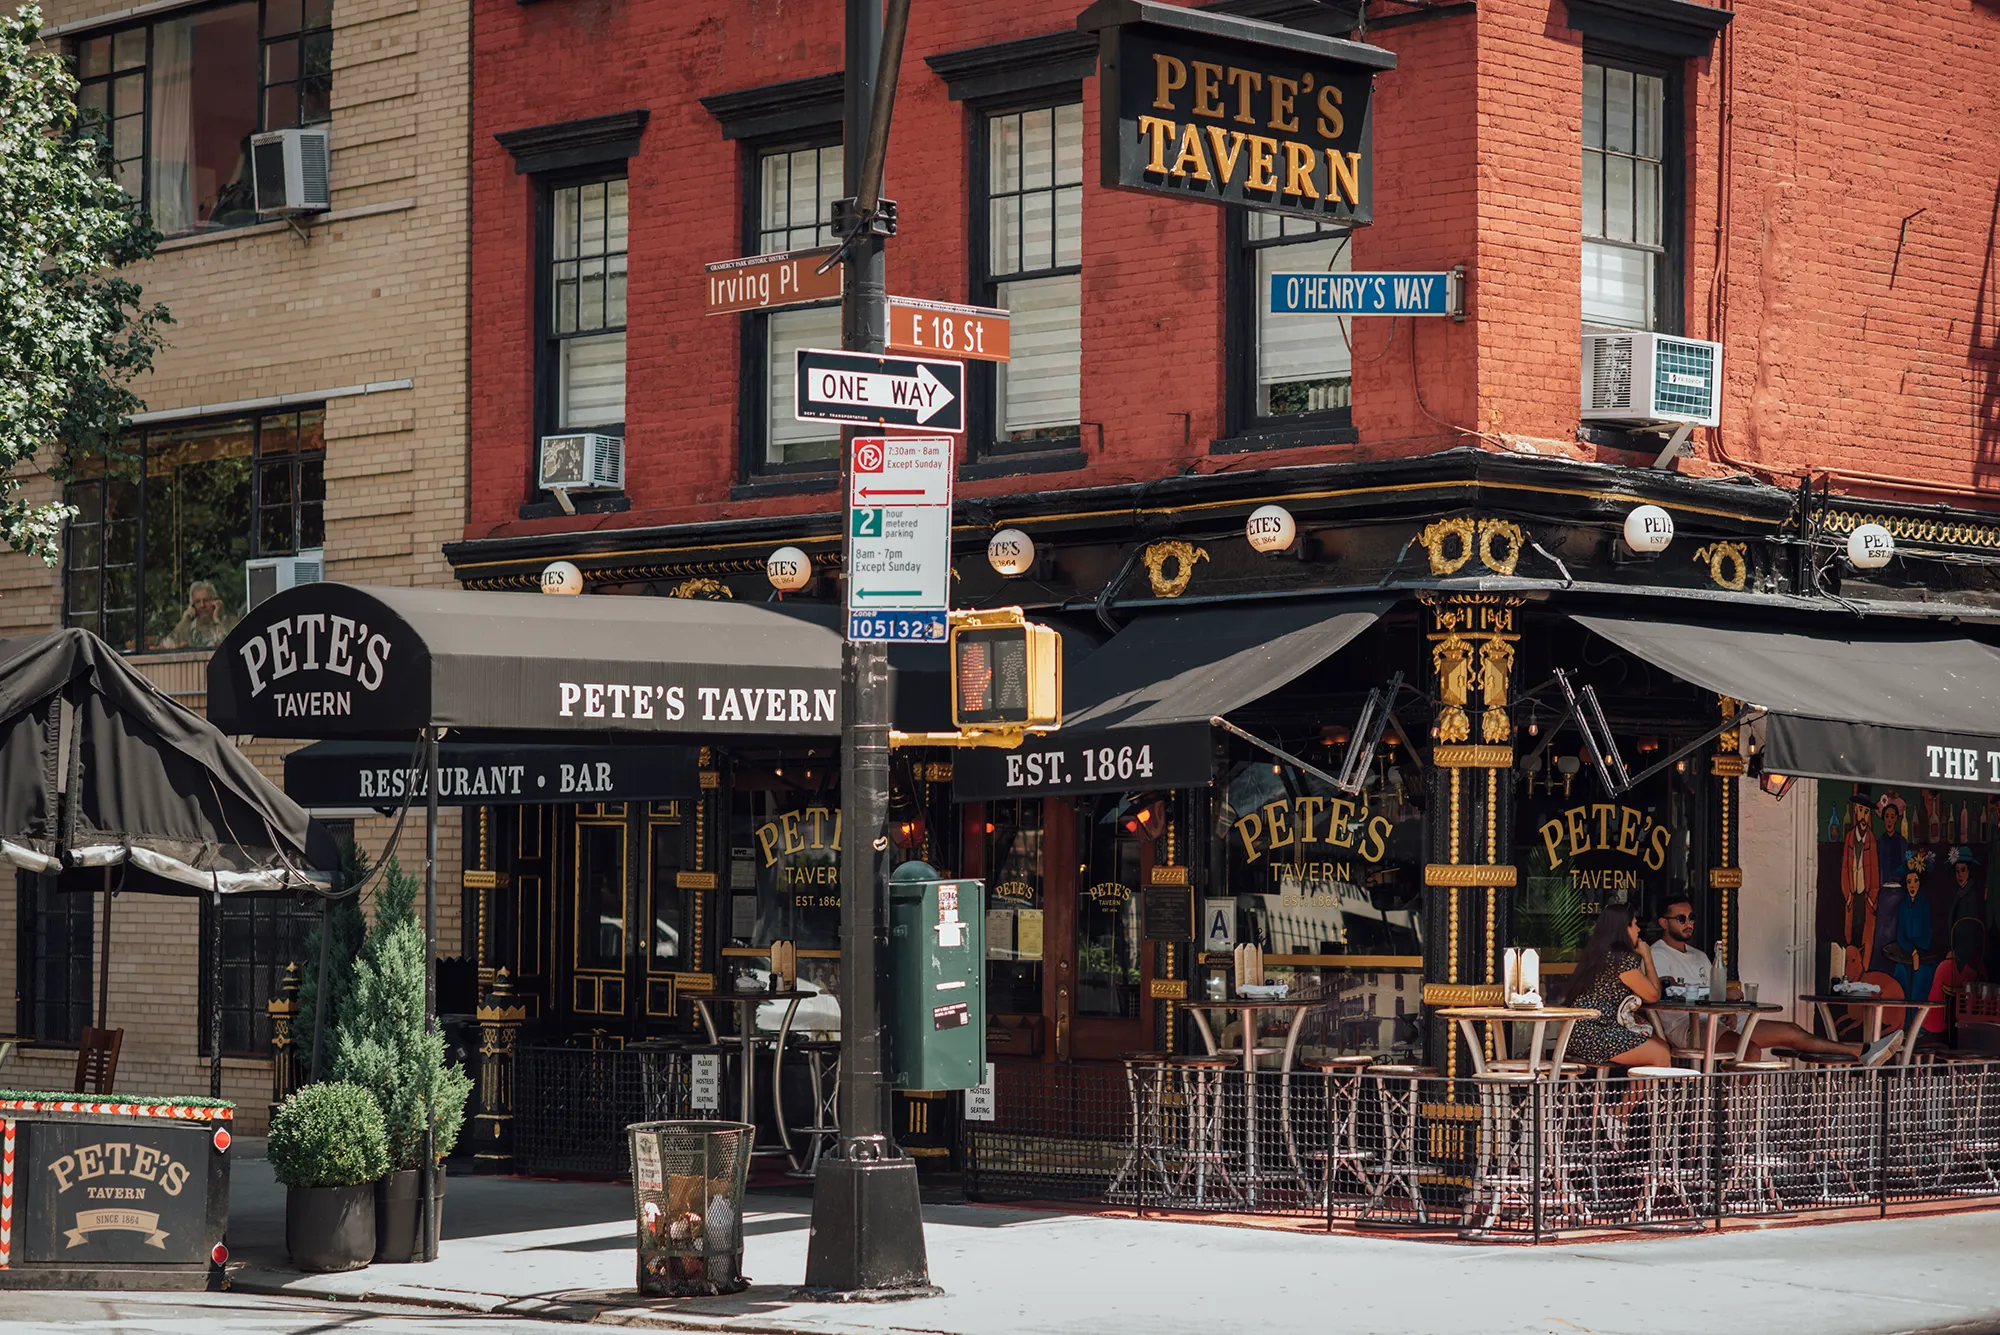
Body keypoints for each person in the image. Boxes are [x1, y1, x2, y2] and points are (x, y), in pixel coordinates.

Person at [1649, 896, 1865, 1062]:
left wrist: (1729, 1009)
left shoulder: (1700, 956)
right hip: (1686, 1027)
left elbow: (1713, 991)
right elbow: (1668, 991)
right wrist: (1722, 996)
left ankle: (1860, 1051)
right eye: (1681, 919)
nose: (1689, 923)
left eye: (1691, 917)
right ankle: (1727, 1113)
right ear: (1664, 923)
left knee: (1792, 1030)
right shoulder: (1657, 954)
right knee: (1749, 1051)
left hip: (1718, 1020)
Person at [160, 579, 237, 650]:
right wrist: (184, 621)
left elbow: (227, 648)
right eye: (197, 602)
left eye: (206, 600)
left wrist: (216, 619)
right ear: (192, 605)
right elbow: (164, 646)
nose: (202, 605)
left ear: (215, 602)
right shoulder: (188, 627)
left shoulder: (230, 621)